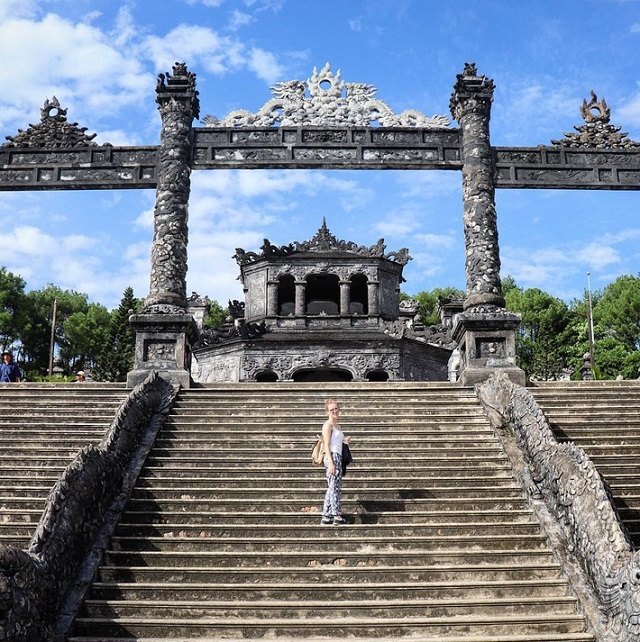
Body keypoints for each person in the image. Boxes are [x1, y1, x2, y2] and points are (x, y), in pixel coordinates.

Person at [320, 398, 351, 526]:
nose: (335, 411)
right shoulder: (327, 425)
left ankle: (326, 516)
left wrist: (345, 442)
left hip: (338, 456)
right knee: (334, 487)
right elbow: (326, 444)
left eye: (336, 409)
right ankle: (337, 515)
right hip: (331, 457)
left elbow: (336, 443)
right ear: (327, 412)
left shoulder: (337, 426)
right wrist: (331, 463)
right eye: (332, 410)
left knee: (332, 486)